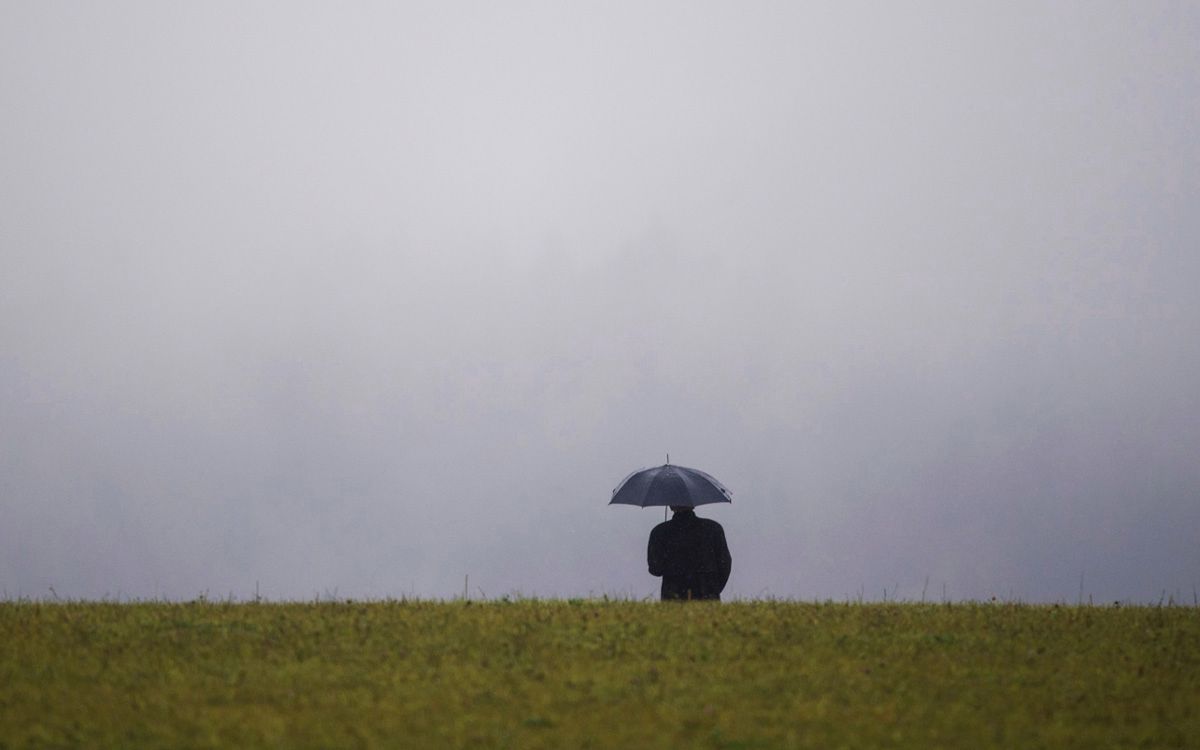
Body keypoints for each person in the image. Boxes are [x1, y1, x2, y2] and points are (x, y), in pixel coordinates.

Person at [647, 505, 732, 601]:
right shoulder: (713, 528)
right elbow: (725, 564)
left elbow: (655, 569)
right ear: (693, 505)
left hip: (673, 597)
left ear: (671, 506)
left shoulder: (659, 532)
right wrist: (713, 590)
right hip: (707, 594)